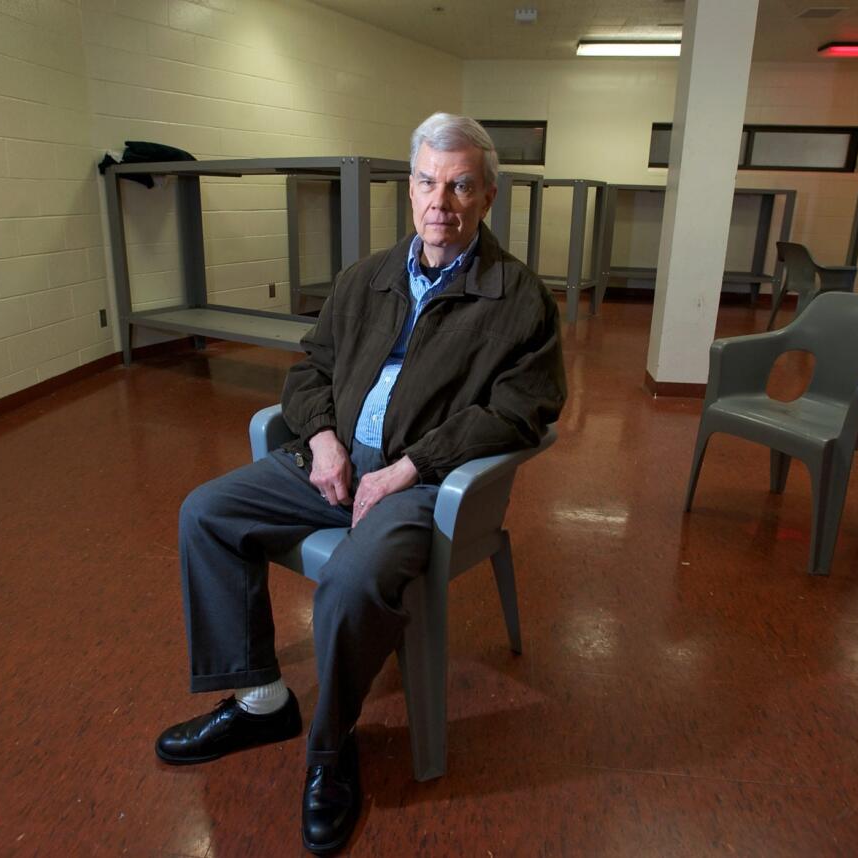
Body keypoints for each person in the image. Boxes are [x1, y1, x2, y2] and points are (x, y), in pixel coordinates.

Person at [157, 112, 566, 854]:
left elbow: (524, 410)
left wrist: (412, 466)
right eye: (427, 183)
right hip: (333, 462)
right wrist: (321, 443)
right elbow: (309, 367)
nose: (441, 202)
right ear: (408, 191)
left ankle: (331, 745)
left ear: (487, 197)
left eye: (461, 185)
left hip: (421, 482)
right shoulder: (365, 279)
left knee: (348, 583)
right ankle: (260, 698)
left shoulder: (519, 299)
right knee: (205, 513)